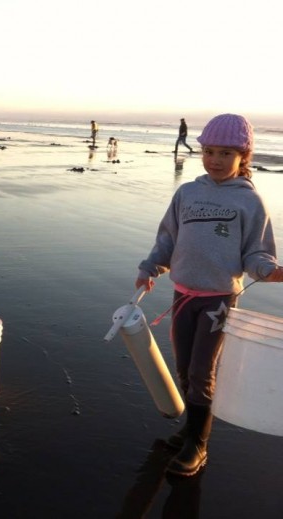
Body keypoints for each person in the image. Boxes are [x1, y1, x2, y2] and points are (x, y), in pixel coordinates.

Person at [135, 113, 283, 477]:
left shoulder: (250, 202)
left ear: (243, 156)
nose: (215, 159)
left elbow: (257, 253)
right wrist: (150, 266)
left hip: (219, 301)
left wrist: (267, 270)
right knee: (185, 368)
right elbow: (168, 238)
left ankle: (199, 444)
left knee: (203, 371)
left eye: (226, 153)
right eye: (210, 151)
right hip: (182, 295)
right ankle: (189, 429)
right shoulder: (187, 192)